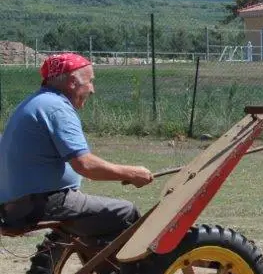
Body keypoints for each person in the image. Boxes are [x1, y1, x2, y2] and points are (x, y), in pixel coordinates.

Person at [0, 52, 154, 239]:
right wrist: (133, 173)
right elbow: (85, 165)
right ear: (73, 82)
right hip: (41, 202)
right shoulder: (57, 108)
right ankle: (132, 269)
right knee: (127, 212)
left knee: (91, 214)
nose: (93, 89)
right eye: (90, 81)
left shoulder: (36, 102)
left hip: (16, 203)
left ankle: (100, 265)